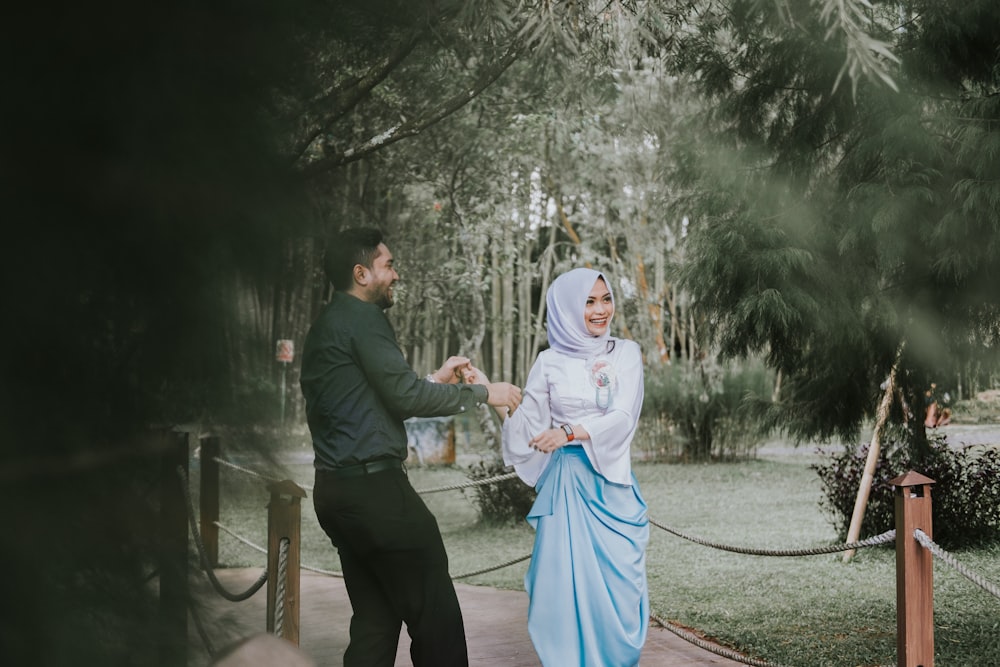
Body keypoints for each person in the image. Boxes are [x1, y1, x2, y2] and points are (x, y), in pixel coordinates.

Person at [300, 227, 522, 667]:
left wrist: (435, 380)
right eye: (388, 265)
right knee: (436, 620)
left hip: (336, 496)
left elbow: (375, 400)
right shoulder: (364, 319)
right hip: (378, 496)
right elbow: (403, 398)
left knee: (374, 623)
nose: (396, 274)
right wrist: (485, 393)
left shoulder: (328, 325)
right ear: (361, 274)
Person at [500, 267, 649, 667]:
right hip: (567, 487)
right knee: (560, 590)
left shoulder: (627, 354)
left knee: (619, 590)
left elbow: (623, 416)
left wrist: (567, 432)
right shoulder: (548, 362)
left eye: (605, 298)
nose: (601, 310)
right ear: (566, 308)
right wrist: (491, 395)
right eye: (588, 301)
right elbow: (530, 426)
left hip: (611, 485)